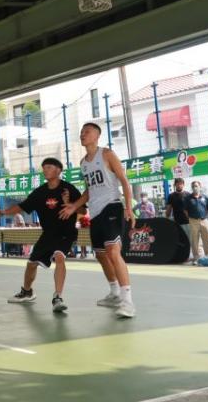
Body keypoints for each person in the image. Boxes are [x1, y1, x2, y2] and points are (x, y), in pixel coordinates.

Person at [60, 123, 136, 319]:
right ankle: (114, 293)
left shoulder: (107, 154)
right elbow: (89, 190)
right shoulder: (83, 163)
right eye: (82, 132)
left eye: (88, 131)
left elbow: (124, 181)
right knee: (101, 255)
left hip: (112, 206)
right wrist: (74, 206)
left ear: (97, 136)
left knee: (112, 250)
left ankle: (128, 301)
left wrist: (129, 207)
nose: (83, 134)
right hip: (94, 212)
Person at [0, 157, 81, 314]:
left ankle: (57, 297)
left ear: (58, 170)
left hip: (66, 232)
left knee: (59, 256)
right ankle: (27, 292)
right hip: (47, 234)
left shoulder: (68, 189)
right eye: (44, 168)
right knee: (31, 264)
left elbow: (83, 211)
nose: (45, 170)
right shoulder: (40, 192)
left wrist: (70, 203)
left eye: (49, 167)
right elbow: (22, 206)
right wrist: (4, 212)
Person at [184, 181, 208, 263]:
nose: (195, 187)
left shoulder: (205, 197)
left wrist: (204, 216)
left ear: (200, 186)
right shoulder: (188, 198)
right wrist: (190, 217)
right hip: (193, 221)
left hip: (204, 220)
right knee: (194, 240)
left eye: (196, 186)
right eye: (193, 186)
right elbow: (185, 210)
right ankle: (196, 258)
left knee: (206, 239)